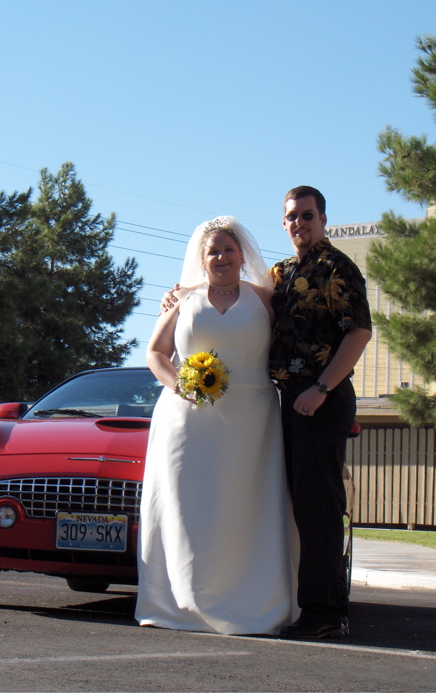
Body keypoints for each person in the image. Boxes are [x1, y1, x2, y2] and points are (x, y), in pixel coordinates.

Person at [135, 217, 299, 635]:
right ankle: (180, 602)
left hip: (252, 420)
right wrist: (179, 386)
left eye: (229, 250)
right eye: (213, 251)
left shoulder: (265, 299)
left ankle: (252, 603)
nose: (221, 257)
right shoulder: (182, 299)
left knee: (246, 507)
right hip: (188, 420)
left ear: (242, 256)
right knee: (190, 508)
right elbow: (155, 353)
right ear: (202, 258)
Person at [271, 186, 372, 640]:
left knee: (319, 508)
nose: (300, 223)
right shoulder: (281, 273)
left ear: (323, 219)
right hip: (287, 400)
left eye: (307, 215)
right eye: (292, 216)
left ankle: (325, 613)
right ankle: (311, 604)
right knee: (298, 506)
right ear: (284, 222)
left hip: (321, 399)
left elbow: (359, 332)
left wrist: (321, 388)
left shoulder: (337, 267)